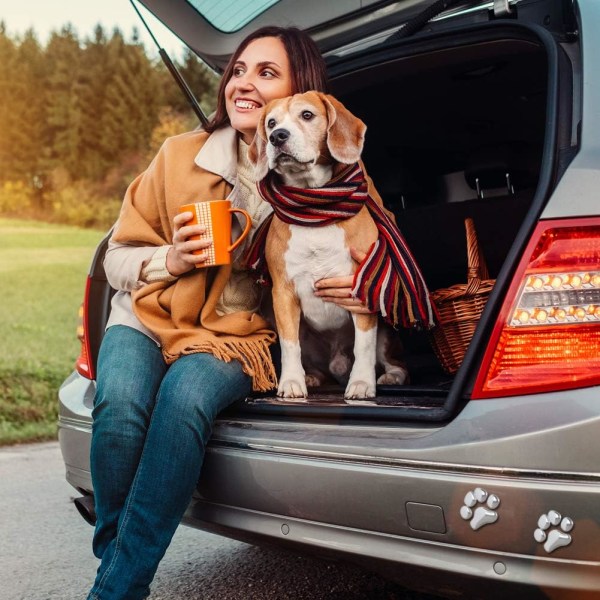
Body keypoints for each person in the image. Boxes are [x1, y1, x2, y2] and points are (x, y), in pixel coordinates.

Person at [87, 25, 373, 600]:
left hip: (238, 333)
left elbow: (379, 246)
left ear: (300, 96)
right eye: (238, 70)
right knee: (119, 407)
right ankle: (118, 569)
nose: (244, 84)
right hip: (149, 313)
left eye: (266, 74)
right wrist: (170, 258)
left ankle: (116, 588)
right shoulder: (177, 156)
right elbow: (115, 257)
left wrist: (366, 281)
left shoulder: (327, 177)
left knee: (184, 399)